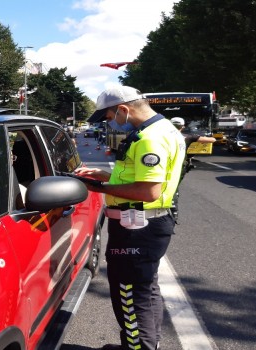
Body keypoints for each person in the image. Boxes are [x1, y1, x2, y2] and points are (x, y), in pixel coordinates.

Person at [73, 86, 186, 350]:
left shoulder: (149, 139)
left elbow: (148, 191)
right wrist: (104, 175)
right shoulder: (166, 129)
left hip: (138, 226)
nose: (110, 123)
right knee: (145, 290)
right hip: (149, 223)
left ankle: (138, 347)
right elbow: (139, 176)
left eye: (109, 117)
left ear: (123, 109)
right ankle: (147, 344)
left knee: (130, 294)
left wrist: (98, 188)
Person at [169, 117, 216, 222]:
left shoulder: (161, 136)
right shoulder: (187, 137)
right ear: (183, 127)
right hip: (179, 166)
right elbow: (212, 140)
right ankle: (173, 210)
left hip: (163, 165)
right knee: (174, 187)